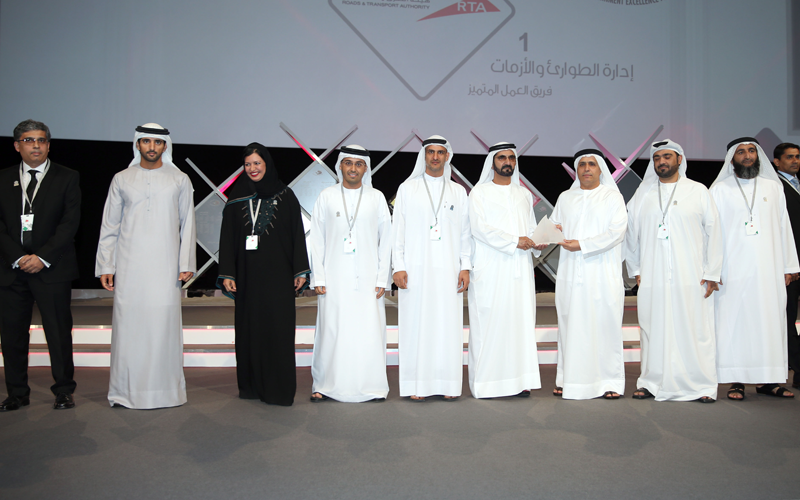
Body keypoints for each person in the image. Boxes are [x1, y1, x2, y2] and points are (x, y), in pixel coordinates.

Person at [96, 123, 197, 409]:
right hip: (129, 267)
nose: (152, 147)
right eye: (146, 141)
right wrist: (106, 264)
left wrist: (186, 262)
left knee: (163, 327)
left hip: (166, 267)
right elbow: (110, 225)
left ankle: (166, 392)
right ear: (137, 144)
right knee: (130, 329)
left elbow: (188, 224)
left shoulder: (179, 179)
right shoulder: (121, 179)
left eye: (157, 142)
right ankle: (124, 392)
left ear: (166, 146)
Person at [624, 139, 722, 402]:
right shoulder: (643, 194)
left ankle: (701, 386)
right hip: (653, 274)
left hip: (692, 274)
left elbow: (714, 231)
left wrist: (712, 272)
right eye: (657, 158)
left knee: (694, 329)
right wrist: (636, 269)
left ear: (679, 159)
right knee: (652, 328)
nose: (661, 162)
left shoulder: (698, 191)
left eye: (667, 157)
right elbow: (631, 234)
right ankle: (651, 382)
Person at [217, 143, 309, 406]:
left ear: (266, 164)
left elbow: (296, 234)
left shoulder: (286, 195)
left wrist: (300, 270)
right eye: (247, 164)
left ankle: (278, 389)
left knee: (278, 330)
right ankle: (251, 387)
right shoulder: (236, 198)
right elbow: (227, 238)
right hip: (247, 277)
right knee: (250, 330)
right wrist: (228, 273)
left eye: (257, 163)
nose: (252, 169)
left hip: (279, 277)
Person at [0, 119, 80, 412]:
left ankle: (64, 391)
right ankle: (17, 393)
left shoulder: (67, 177)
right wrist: (19, 257)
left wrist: (41, 257)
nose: (36, 145)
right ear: (16, 146)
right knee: (12, 335)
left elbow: (70, 223)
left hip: (52, 268)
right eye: (29, 140)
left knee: (58, 333)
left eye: (42, 140)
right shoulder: (2, 178)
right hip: (11, 270)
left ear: (48, 145)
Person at [710, 138, 800, 400]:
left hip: (768, 269)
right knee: (735, 324)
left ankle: (769, 380)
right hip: (732, 270)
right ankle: (736, 381)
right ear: (732, 158)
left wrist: (789, 265)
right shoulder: (719, 190)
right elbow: (711, 233)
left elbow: (784, 227)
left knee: (769, 323)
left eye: (751, 151)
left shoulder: (773, 187)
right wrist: (713, 269)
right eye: (741, 152)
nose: (747, 156)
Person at [308, 145, 392, 402]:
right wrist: (318, 276)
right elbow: (317, 240)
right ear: (340, 166)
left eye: (358, 164)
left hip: (369, 279)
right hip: (333, 278)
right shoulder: (327, 196)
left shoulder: (376, 197)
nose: (353, 168)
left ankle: (371, 385)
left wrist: (382, 278)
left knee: (368, 331)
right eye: (348, 163)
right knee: (332, 330)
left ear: (365, 168)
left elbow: (386, 240)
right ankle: (325, 384)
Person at [392, 135, 471, 401]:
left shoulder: (458, 192)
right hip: (415, 270)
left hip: (449, 270)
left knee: (448, 326)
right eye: (431, 152)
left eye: (440, 152)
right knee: (416, 325)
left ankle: (448, 385)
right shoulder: (407, 189)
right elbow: (397, 231)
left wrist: (465, 266)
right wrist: (398, 266)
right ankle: (417, 385)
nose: (435, 157)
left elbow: (465, 234)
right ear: (424, 156)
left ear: (447, 156)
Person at [467, 143, 545, 398]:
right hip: (490, 269)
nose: (507, 161)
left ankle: (518, 381)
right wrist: (514, 241)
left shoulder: (523, 194)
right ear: (493, 162)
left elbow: (530, 228)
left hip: (520, 269)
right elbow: (479, 228)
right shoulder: (479, 192)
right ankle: (487, 384)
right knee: (489, 324)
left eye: (511, 157)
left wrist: (538, 240)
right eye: (502, 157)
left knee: (519, 324)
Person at [550, 149, 627, 400]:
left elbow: (616, 232)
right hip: (571, 273)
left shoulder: (612, 197)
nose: (586, 168)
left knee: (605, 325)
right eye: (582, 164)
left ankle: (609, 381)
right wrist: (547, 234)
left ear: (600, 168)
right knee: (570, 324)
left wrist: (582, 245)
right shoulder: (566, 197)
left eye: (592, 164)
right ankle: (567, 379)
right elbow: (554, 227)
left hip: (602, 273)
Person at [773, 142, 800, 389]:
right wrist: (787, 264)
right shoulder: (774, 187)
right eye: (789, 157)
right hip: (789, 265)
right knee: (788, 317)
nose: (795, 161)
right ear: (777, 162)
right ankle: (797, 369)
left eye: (797, 157)